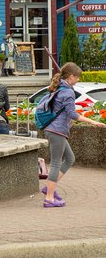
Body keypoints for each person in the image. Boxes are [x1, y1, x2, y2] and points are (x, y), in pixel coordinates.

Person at [41, 62, 106, 208]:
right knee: (56, 162)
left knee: (70, 158)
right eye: (77, 77)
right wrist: (93, 122)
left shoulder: (60, 87)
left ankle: (48, 188)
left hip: (55, 129)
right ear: (71, 76)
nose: (78, 80)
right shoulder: (67, 91)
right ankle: (50, 198)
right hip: (56, 130)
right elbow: (72, 114)